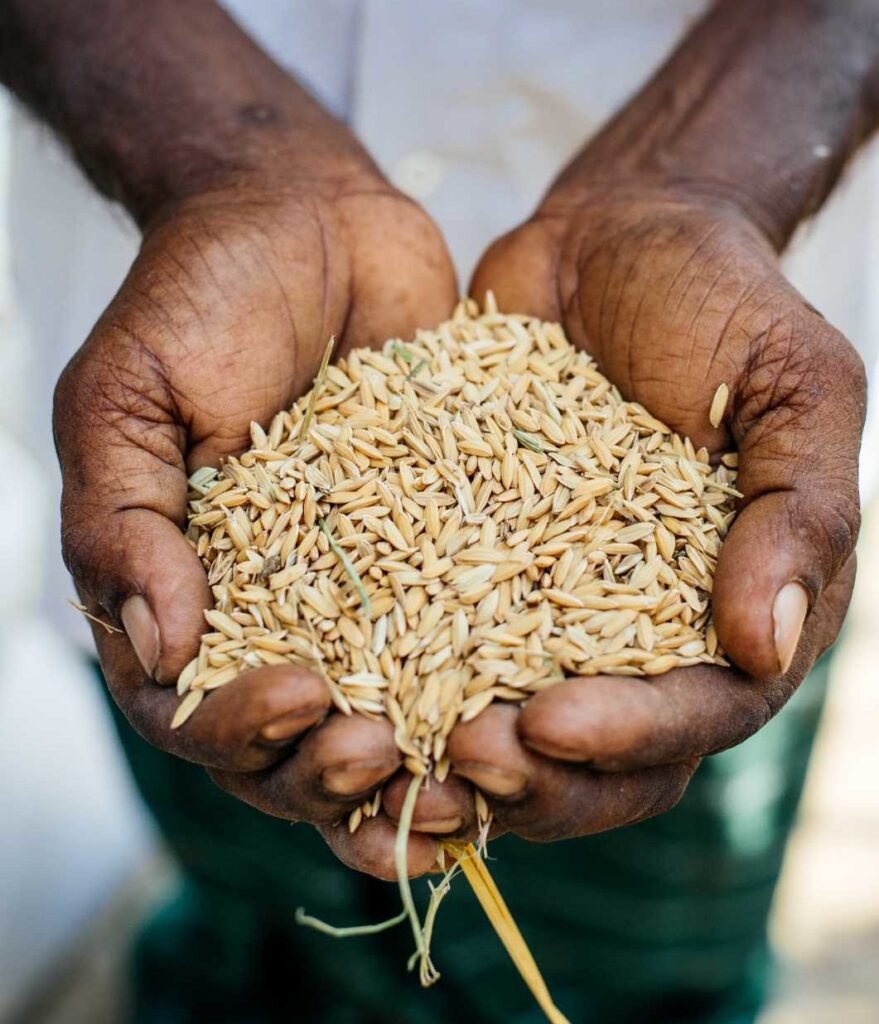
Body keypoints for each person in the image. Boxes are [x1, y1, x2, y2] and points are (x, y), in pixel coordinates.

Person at [0, 1, 875, 1020]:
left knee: (644, 961)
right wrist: (207, 155)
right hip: (195, 400)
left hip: (733, 310)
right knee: (246, 890)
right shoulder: (241, 501)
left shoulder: (659, 499)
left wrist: (711, 175)